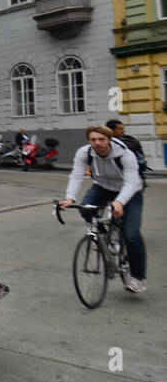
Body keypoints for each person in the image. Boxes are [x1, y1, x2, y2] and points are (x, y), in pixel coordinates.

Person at [60, 125, 146, 293]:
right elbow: (77, 174)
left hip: (130, 191)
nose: (97, 143)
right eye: (93, 140)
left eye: (101, 139)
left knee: (131, 234)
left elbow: (132, 182)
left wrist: (120, 202)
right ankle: (102, 235)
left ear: (109, 139)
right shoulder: (84, 153)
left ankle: (138, 278)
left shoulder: (125, 155)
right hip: (102, 187)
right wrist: (70, 198)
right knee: (85, 209)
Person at [107, 119, 148, 183]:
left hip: (134, 174)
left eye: (123, 128)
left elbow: (140, 154)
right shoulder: (105, 142)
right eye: (120, 129)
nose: (123, 131)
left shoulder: (129, 139)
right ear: (111, 130)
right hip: (115, 177)